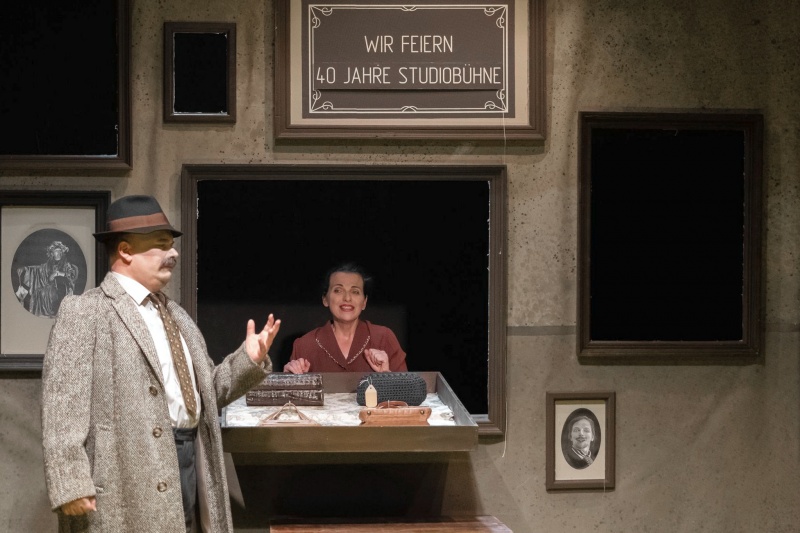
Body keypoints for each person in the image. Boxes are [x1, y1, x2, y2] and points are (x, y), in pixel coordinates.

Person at [41, 195, 281, 533]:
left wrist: (249, 360)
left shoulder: (176, 315)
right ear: (126, 250)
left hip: (189, 458)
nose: (174, 253)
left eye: (172, 244)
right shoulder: (86, 311)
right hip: (125, 474)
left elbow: (203, 395)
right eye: (160, 244)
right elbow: (62, 406)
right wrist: (70, 482)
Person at [283, 263, 407, 374]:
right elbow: (292, 392)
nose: (347, 298)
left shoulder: (383, 338)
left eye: (355, 291)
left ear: (364, 302)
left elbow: (407, 390)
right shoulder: (305, 345)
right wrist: (288, 380)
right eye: (338, 290)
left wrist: (386, 374)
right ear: (325, 299)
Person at [16, 240, 79, 317]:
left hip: (61, 286)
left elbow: (71, 274)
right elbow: (38, 268)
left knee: (48, 293)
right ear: (52, 253)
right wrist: (25, 268)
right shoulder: (48, 264)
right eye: (56, 251)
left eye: (60, 251)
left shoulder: (66, 264)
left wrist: (58, 273)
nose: (59, 253)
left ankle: (52, 312)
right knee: (37, 293)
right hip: (49, 286)